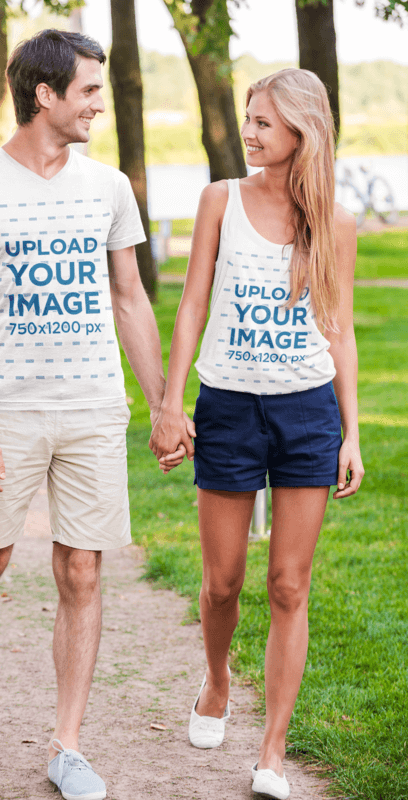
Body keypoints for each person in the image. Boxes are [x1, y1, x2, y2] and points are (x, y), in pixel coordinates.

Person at [0, 29, 180, 800]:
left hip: (93, 409)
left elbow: (129, 296)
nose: (99, 105)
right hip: (8, 410)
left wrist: (164, 402)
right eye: (88, 92)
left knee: (82, 568)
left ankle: (67, 744)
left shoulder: (107, 187)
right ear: (45, 95)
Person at [149, 68, 364, 800]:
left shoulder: (333, 220)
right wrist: (171, 404)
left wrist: (350, 433)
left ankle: (270, 750)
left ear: (302, 130)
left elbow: (337, 329)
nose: (249, 132)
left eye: (264, 122)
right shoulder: (221, 199)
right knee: (222, 582)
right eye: (248, 118)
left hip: (306, 414)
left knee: (288, 584)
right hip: (230, 409)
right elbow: (190, 307)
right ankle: (214, 684)